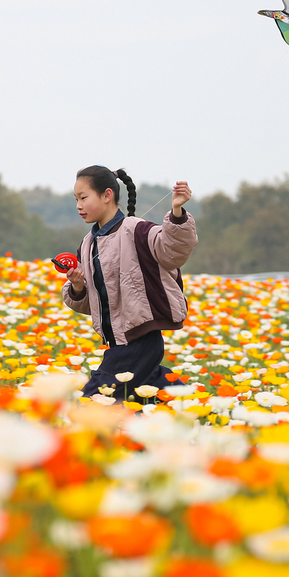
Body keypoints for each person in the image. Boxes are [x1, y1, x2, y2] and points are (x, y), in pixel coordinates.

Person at [62, 166, 197, 402]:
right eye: (76, 199)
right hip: (118, 342)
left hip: (139, 339)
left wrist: (177, 212)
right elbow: (90, 304)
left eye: (83, 198)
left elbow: (173, 251)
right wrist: (77, 286)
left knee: (94, 399)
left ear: (107, 195)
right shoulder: (87, 244)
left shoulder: (137, 230)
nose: (78, 206)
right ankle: (198, 409)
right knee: (152, 393)